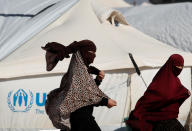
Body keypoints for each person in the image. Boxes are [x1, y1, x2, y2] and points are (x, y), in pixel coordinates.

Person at [42, 40, 117, 131]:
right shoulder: (78, 73)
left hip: (79, 119)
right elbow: (85, 94)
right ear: (82, 53)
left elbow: (87, 90)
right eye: (91, 52)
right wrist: (106, 101)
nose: (94, 56)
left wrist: (98, 80)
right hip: (81, 120)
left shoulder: (82, 70)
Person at [126, 54, 191, 131]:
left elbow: (176, 91)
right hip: (159, 119)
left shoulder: (175, 79)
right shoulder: (161, 77)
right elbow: (160, 96)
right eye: (178, 66)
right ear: (171, 64)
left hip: (169, 118)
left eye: (181, 67)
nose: (179, 69)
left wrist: (185, 92)